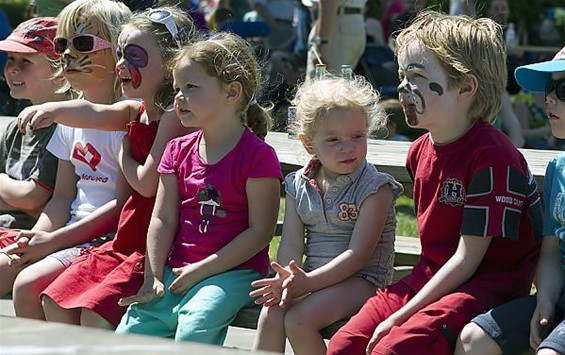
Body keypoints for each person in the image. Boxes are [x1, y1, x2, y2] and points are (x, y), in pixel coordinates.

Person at [327, 11, 543, 355]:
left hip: (484, 289)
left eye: (416, 76)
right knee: (343, 345)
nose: (402, 88)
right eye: (401, 75)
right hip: (431, 277)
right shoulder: (418, 151)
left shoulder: (492, 157)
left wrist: (401, 316)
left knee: (393, 349)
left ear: (466, 87)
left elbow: (468, 261)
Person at [17, 7, 197, 330]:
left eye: (135, 56)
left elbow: (146, 184)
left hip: (154, 244)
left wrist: (126, 153)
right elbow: (93, 111)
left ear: (171, 62)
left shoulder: (172, 115)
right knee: (54, 300)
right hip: (124, 239)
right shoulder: (135, 110)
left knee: (93, 316)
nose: (121, 65)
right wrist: (53, 109)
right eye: (119, 54)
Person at [114, 32, 283, 345]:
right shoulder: (177, 150)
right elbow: (162, 219)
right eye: (177, 88)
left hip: (234, 273)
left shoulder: (257, 156)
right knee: (127, 337)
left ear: (232, 93)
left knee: (194, 330)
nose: (178, 97)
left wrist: (202, 270)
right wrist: (152, 276)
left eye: (191, 88)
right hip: (175, 271)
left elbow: (260, 232)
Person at [251, 74, 403, 354]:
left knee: (299, 320)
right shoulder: (299, 184)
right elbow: (292, 243)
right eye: (333, 139)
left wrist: (308, 283)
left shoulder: (374, 188)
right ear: (309, 144)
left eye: (357, 136)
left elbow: (358, 255)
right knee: (271, 313)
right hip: (313, 278)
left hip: (362, 282)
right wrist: (286, 278)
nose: (348, 147)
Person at [0, 0, 132, 318]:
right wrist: (36, 239)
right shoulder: (69, 121)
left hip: (109, 240)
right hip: (68, 236)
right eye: (63, 44)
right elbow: (61, 198)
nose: (69, 54)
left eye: (83, 43)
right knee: (28, 281)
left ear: (119, 49)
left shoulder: (130, 118)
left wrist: (52, 240)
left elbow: (124, 205)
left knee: (37, 289)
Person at [455, 46, 565, 355]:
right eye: (548, 88)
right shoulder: (558, 168)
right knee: (472, 339)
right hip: (559, 297)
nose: (550, 98)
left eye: (562, 88)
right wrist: (545, 297)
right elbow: (552, 251)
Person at [0, 17, 74, 231]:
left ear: (60, 74)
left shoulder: (65, 127)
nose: (12, 68)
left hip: (25, 234)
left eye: (26, 61)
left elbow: (31, 198)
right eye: (11, 59)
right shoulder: (16, 127)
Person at [305, 0, 367, 79]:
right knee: (341, 83)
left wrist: (323, 42)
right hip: (354, 22)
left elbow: (329, 2)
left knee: (321, 83)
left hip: (335, 26)